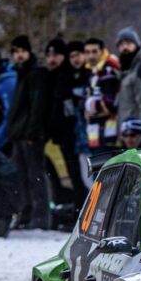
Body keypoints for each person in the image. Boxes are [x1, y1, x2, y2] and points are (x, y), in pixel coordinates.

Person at [6, 35, 51, 230]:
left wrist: (33, 132)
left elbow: (38, 106)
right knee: (22, 177)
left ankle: (41, 216)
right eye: (16, 52)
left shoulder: (36, 74)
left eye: (22, 51)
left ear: (29, 52)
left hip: (30, 135)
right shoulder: (21, 74)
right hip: (19, 134)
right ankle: (26, 213)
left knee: (36, 175)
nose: (19, 55)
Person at [52, 40, 91, 211]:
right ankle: (78, 211)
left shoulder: (90, 74)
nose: (75, 59)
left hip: (88, 134)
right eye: (72, 56)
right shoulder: (63, 77)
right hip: (69, 135)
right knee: (75, 176)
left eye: (78, 54)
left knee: (89, 177)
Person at [83, 37, 120, 154]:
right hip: (96, 134)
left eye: (94, 51)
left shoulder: (108, 70)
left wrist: (89, 106)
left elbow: (110, 103)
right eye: (87, 52)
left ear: (102, 51)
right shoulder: (93, 70)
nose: (91, 56)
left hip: (108, 133)